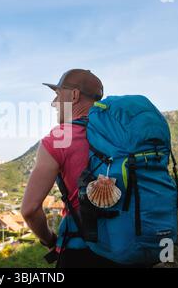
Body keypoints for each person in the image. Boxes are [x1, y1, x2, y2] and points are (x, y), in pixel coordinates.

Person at [21, 69, 128, 268]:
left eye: (57, 95)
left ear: (74, 95)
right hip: (130, 247)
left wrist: (49, 240)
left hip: (82, 253)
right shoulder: (123, 135)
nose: (53, 103)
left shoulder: (60, 138)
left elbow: (29, 210)